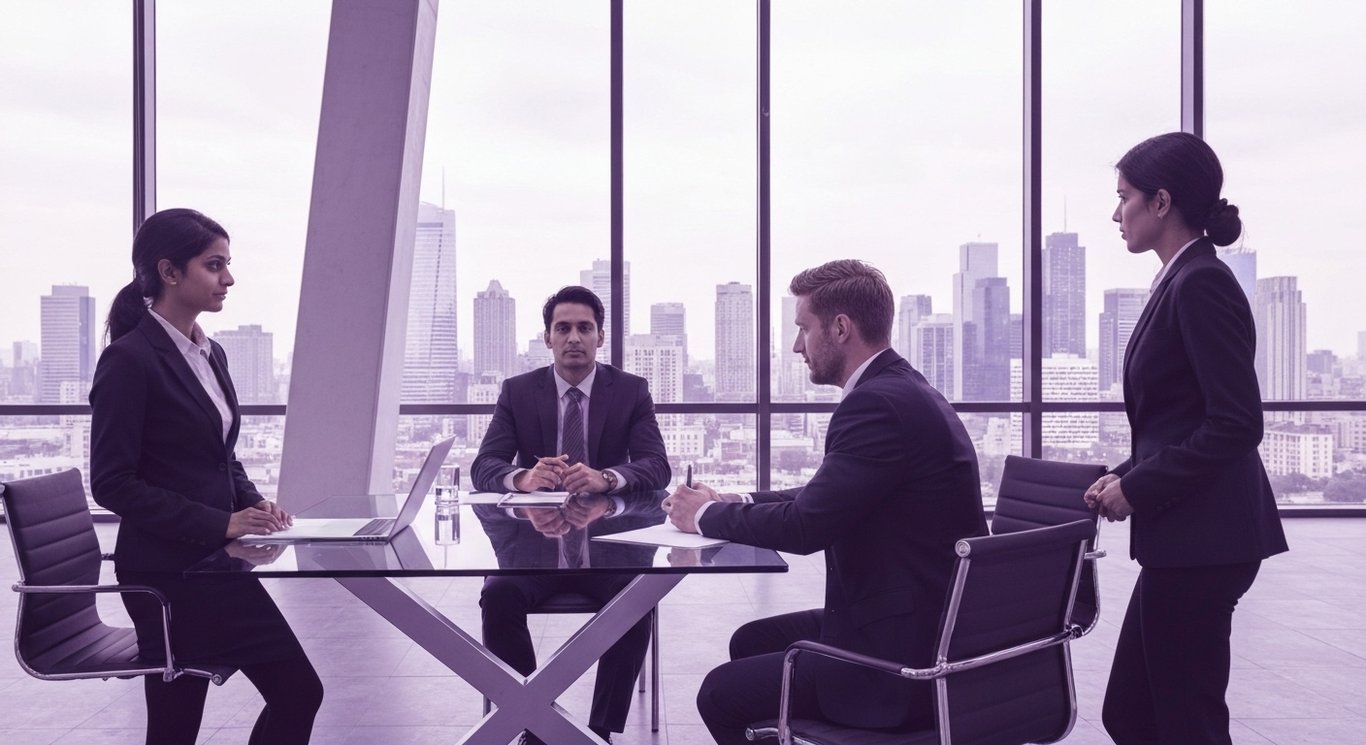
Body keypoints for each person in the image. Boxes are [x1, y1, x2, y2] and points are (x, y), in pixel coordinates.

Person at [663, 260, 988, 744]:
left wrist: (705, 515)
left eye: (803, 329)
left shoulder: (876, 404)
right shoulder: (902, 388)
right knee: (750, 641)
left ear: (840, 328)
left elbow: (805, 527)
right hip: (925, 619)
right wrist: (738, 499)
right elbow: (828, 496)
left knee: (719, 695)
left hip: (903, 662)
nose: (796, 346)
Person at [89, 208, 323, 745]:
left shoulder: (208, 352)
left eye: (228, 264)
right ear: (170, 272)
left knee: (182, 723)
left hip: (210, 565)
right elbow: (112, 482)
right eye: (214, 265)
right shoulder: (129, 361)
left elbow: (220, 453)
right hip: (169, 574)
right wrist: (222, 523)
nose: (229, 278)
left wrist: (253, 503)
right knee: (291, 692)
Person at [1086, 132, 1288, 745]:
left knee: (1185, 721)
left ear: (1162, 202)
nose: (1115, 213)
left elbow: (1235, 422)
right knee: (1134, 714)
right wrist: (1125, 475)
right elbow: (1179, 416)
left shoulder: (1200, 283)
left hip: (1206, 541)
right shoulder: (1181, 279)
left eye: (1123, 198)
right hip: (1189, 539)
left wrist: (1139, 489)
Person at [470, 285, 671, 744]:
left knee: (635, 600)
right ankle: (533, 720)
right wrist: (523, 479)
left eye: (584, 328)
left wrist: (608, 477)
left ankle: (598, 732)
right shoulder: (518, 392)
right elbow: (484, 465)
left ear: (600, 337)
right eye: (563, 328)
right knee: (498, 594)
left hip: (611, 550)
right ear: (548, 338)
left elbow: (657, 464)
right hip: (533, 552)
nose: (574, 337)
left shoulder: (631, 391)